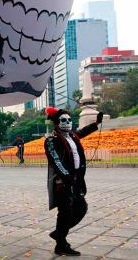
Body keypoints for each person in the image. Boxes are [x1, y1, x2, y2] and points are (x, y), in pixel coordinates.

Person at [44, 107, 103, 256]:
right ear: (57, 122)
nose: (67, 122)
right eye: (64, 120)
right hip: (62, 182)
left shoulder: (73, 136)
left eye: (69, 120)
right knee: (64, 212)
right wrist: (67, 179)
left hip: (76, 180)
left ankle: (59, 234)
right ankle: (61, 244)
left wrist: (96, 123)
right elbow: (56, 162)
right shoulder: (51, 140)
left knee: (81, 208)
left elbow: (83, 132)